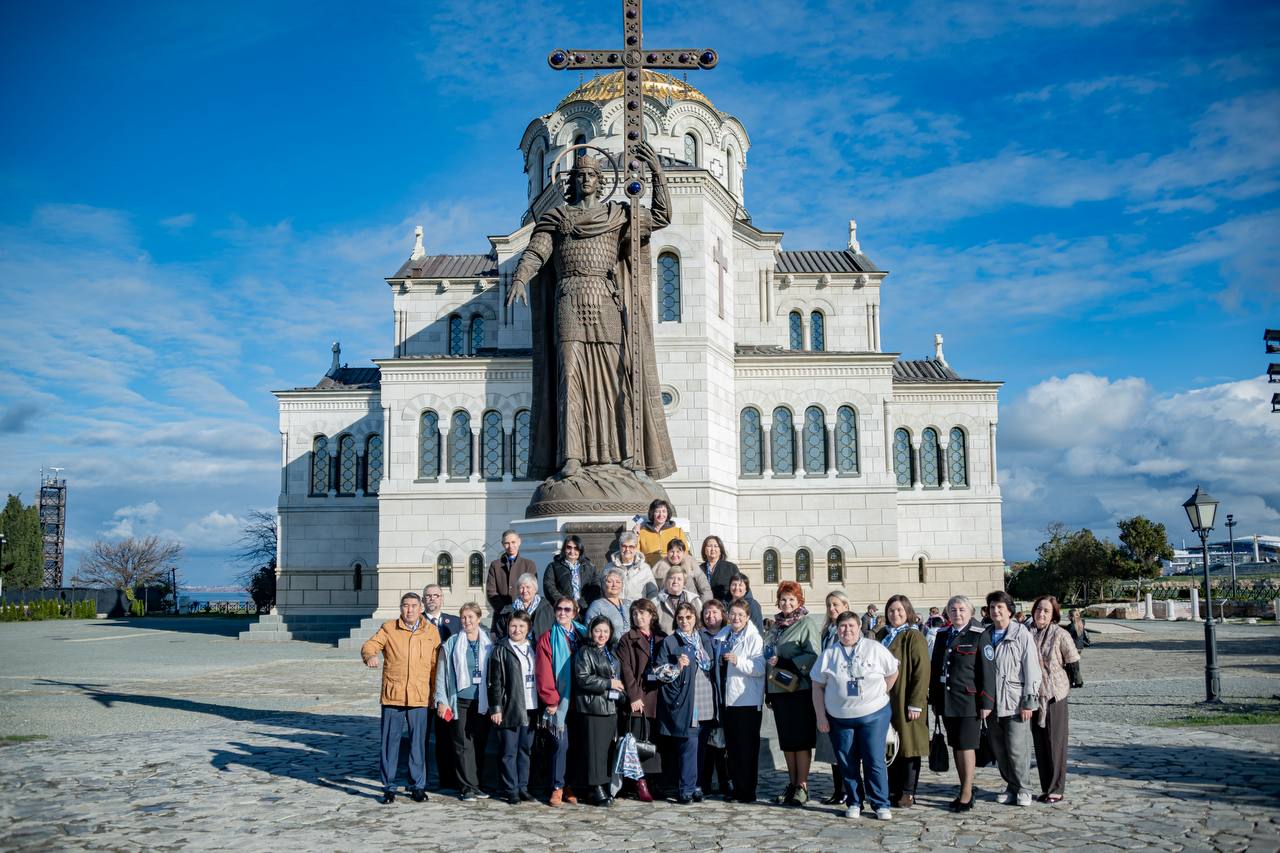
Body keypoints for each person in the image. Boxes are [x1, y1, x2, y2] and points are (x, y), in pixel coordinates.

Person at [507, 144, 675, 485]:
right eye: (579, 175)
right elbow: (536, 252)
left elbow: (661, 216)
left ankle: (626, 454)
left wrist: (656, 171)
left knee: (616, 378)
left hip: (604, 300)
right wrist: (521, 276)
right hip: (569, 298)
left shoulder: (617, 216)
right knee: (570, 377)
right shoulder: (558, 218)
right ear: (571, 181)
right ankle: (571, 456)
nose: (585, 179)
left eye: (591, 175)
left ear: (600, 181)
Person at [811, 611, 899, 820]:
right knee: (847, 761)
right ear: (837, 629)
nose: (847, 630)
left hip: (874, 714)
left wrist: (880, 692)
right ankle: (854, 801)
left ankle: (880, 803)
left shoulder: (875, 648)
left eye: (851, 626)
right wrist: (821, 716)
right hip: (840, 718)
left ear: (859, 627)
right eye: (842, 626)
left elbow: (892, 671)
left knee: (874, 758)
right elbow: (817, 685)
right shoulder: (829, 654)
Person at [361, 592, 441, 804]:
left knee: (418, 744)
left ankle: (417, 786)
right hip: (393, 696)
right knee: (390, 743)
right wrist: (370, 656)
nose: (410, 610)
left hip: (420, 696)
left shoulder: (431, 632)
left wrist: (435, 693)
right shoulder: (389, 628)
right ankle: (388, 786)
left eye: (414, 605)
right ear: (400, 608)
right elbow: (370, 645)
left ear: (420, 607)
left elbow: (435, 667)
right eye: (406, 605)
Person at [929, 594, 995, 812]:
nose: (957, 613)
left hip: (969, 701)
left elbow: (987, 671)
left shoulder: (979, 635)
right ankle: (964, 786)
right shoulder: (942, 634)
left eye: (961, 609)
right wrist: (935, 699)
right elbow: (936, 668)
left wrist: (986, 702)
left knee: (967, 746)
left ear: (970, 612)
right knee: (956, 745)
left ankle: (966, 793)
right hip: (947, 700)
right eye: (953, 609)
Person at [984, 589, 1043, 807]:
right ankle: (1011, 786)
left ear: (1009, 610)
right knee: (1000, 750)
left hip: (1015, 700)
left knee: (1018, 749)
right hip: (992, 703)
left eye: (1000, 607)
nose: (996, 611)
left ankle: (1024, 788)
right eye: (992, 607)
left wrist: (1029, 701)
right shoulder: (986, 634)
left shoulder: (1021, 634)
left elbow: (1032, 669)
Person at [766, 580, 821, 806]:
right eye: (783, 599)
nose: (787, 603)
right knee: (787, 741)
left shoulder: (806, 623)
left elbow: (814, 654)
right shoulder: (775, 627)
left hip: (799, 690)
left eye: (791, 599)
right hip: (778, 690)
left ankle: (802, 785)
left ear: (799, 601)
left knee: (800, 740)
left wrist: (788, 663)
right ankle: (791, 783)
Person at [656, 601, 716, 804]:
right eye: (680, 618)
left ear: (695, 618)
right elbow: (659, 672)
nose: (684, 621)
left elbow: (712, 665)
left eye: (688, 617)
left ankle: (697, 784)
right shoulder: (670, 642)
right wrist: (676, 667)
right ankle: (686, 788)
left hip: (705, 696)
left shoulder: (703, 639)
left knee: (701, 744)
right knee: (689, 744)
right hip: (687, 701)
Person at [433, 602, 492, 801]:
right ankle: (466, 786)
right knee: (461, 744)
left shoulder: (488, 643)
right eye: (464, 617)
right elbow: (442, 674)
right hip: (459, 700)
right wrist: (441, 700)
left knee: (479, 743)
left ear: (478, 619)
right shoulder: (451, 643)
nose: (467, 621)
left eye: (471, 617)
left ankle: (477, 784)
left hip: (482, 701)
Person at [878, 594, 930, 809]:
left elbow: (921, 670)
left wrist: (915, 702)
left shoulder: (913, 636)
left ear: (907, 612)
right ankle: (892, 788)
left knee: (908, 745)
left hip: (905, 699)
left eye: (899, 610)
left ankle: (908, 791)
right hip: (884, 699)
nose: (895, 614)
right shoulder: (882, 635)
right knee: (890, 745)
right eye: (891, 610)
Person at [535, 596, 586, 806]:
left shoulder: (583, 634)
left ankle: (569, 785)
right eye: (559, 609)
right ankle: (556, 786)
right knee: (560, 744)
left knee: (576, 746)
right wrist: (551, 698)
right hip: (559, 702)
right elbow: (543, 671)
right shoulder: (548, 638)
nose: (563, 613)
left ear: (574, 612)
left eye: (567, 609)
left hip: (581, 699)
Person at [1030, 594, 1079, 803]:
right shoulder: (1026, 632)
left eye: (1046, 611)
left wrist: (1062, 683)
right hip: (1033, 694)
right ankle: (1046, 786)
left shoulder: (1060, 634)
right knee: (1040, 744)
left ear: (1054, 614)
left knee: (1055, 741)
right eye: (1039, 609)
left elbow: (1073, 661)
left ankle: (1057, 787)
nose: (1041, 613)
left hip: (1054, 695)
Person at [487, 610, 538, 805]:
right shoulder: (501, 648)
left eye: (521, 626)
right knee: (509, 751)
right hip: (510, 706)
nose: (517, 630)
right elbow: (495, 681)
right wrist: (496, 708)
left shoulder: (533, 646)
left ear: (528, 628)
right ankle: (511, 788)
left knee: (525, 749)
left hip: (531, 705)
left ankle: (523, 787)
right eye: (513, 626)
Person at [573, 615, 625, 806]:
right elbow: (582, 678)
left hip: (610, 707)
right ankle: (595, 788)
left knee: (604, 750)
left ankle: (602, 784)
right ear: (591, 632)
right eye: (597, 631)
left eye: (605, 631)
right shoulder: (585, 652)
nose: (601, 635)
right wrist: (608, 683)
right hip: (592, 707)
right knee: (594, 750)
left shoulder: (611, 652)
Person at [717, 597, 765, 803]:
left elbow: (760, 668)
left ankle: (747, 791)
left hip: (746, 701)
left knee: (747, 749)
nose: (736, 618)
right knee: (733, 749)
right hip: (728, 700)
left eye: (740, 615)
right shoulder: (723, 634)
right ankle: (736, 788)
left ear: (747, 618)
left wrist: (738, 661)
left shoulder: (754, 638)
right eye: (733, 614)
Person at [618, 597, 665, 801]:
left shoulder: (661, 637)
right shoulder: (627, 639)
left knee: (655, 741)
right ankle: (639, 783)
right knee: (638, 741)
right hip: (640, 696)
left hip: (658, 696)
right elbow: (625, 669)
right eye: (635, 614)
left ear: (651, 615)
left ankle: (655, 781)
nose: (638, 617)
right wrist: (634, 696)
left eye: (642, 613)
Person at [422, 584, 461, 791]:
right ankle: (420, 778)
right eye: (428, 596)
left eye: (436, 595)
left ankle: (447, 778)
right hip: (422, 688)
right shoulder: (416, 621)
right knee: (421, 736)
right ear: (423, 600)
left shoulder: (454, 622)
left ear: (442, 598)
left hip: (446, 688)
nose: (432, 599)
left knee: (445, 735)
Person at [816, 590, 852, 805]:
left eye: (836, 604)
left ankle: (850, 789)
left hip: (845, 694)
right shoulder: (827, 630)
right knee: (834, 746)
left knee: (847, 745)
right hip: (828, 693)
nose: (832, 609)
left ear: (845, 606)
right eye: (829, 605)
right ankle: (839, 790)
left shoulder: (851, 630)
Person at [698, 599, 729, 799]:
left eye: (715, 613)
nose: (711, 617)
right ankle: (705, 782)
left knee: (723, 741)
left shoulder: (728, 635)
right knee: (707, 740)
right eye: (707, 613)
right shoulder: (699, 637)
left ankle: (726, 781)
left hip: (725, 693)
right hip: (705, 693)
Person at [543, 534, 602, 614]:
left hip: (585, 610)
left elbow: (596, 588)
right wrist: (566, 604)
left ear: (580, 550)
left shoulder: (590, 567)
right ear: (564, 549)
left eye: (576, 548)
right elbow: (549, 587)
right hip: (562, 611)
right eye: (569, 547)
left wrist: (580, 604)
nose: (572, 551)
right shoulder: (553, 566)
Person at [487, 530, 537, 621]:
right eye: (507, 543)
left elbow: (533, 590)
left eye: (513, 542)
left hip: (524, 616)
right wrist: (504, 609)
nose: (510, 546)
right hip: (501, 616)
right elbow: (491, 591)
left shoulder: (529, 564)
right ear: (502, 544)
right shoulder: (495, 565)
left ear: (519, 542)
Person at [493, 573, 554, 642]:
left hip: (540, 649)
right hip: (515, 650)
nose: (524, 591)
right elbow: (500, 632)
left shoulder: (547, 608)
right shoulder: (509, 610)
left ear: (535, 589)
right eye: (521, 587)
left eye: (528, 587)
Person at [584, 569, 631, 642]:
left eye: (618, 582)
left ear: (622, 585)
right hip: (610, 649)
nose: (614, 585)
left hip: (629, 649)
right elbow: (588, 629)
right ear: (603, 584)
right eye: (609, 581)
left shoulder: (628, 604)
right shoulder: (597, 605)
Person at [636, 499, 686, 566]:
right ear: (652, 513)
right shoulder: (642, 532)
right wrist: (635, 534)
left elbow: (685, 553)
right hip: (649, 570)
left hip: (672, 570)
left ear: (667, 513)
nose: (661, 514)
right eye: (657, 511)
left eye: (664, 511)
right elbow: (636, 553)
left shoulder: (678, 531)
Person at [610, 532, 658, 601]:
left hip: (637, 610)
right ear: (620, 547)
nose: (627, 549)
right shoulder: (609, 568)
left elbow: (653, 592)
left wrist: (647, 608)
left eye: (631, 546)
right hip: (615, 609)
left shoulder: (644, 569)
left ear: (635, 548)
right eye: (624, 546)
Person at [653, 566, 701, 634]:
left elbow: (700, 624)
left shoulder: (694, 600)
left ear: (684, 583)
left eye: (679, 579)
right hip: (664, 641)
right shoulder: (656, 601)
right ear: (666, 581)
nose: (675, 581)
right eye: (672, 578)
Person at [699, 535, 740, 604]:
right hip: (705, 609)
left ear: (720, 550)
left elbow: (740, 588)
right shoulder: (699, 569)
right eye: (709, 546)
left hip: (725, 608)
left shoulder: (731, 567)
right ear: (704, 550)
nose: (712, 549)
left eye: (716, 546)